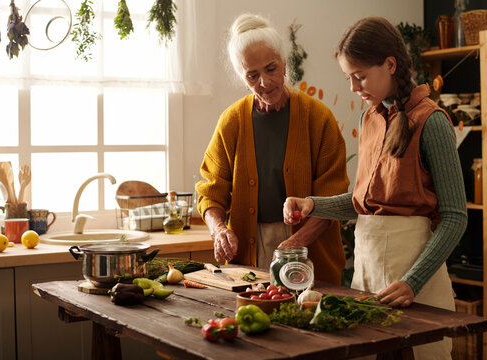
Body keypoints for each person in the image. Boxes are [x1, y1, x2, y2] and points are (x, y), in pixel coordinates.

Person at [283, 16, 467, 359]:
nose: (353, 87)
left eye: (360, 75)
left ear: (390, 64)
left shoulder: (432, 122)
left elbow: (456, 217)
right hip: (366, 273)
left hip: (416, 279)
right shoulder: (368, 119)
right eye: (348, 77)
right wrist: (312, 204)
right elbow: (362, 203)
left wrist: (413, 280)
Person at [196, 13, 349, 285]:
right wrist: (219, 230)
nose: (264, 83)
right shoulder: (231, 121)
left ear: (284, 63)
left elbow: (332, 199)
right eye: (252, 75)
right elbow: (211, 191)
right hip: (249, 254)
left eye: (271, 69)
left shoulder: (319, 118)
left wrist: (296, 242)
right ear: (242, 77)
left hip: (309, 250)